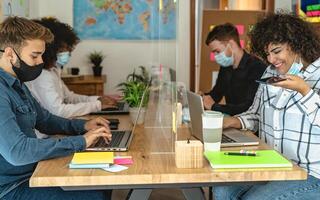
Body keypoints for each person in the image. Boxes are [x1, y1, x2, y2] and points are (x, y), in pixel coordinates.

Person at [0, 16, 113, 200]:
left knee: (101, 182)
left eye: (41, 55)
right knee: (94, 195)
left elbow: (45, 120)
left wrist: (83, 127)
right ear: (10, 54)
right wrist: (81, 142)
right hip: (10, 188)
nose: (40, 62)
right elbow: (18, 151)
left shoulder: (17, 84)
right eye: (34, 56)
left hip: (30, 173)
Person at [214, 13, 320, 200]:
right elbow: (256, 113)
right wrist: (233, 121)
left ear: (296, 44)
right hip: (275, 163)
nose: (271, 59)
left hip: (310, 173)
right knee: (222, 190)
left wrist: (305, 90)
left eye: (276, 51)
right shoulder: (271, 72)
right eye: (267, 54)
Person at [26, 17, 118, 120]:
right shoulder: (41, 75)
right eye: (64, 49)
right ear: (51, 48)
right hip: (48, 134)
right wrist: (97, 105)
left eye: (69, 50)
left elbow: (69, 97)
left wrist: (98, 99)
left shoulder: (53, 70)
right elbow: (58, 111)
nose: (68, 54)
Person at [202, 23, 267, 116]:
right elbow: (216, 94)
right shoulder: (226, 66)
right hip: (231, 122)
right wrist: (202, 97)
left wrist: (214, 107)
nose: (216, 56)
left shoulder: (257, 67)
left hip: (249, 127)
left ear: (231, 44)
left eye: (217, 51)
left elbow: (249, 107)